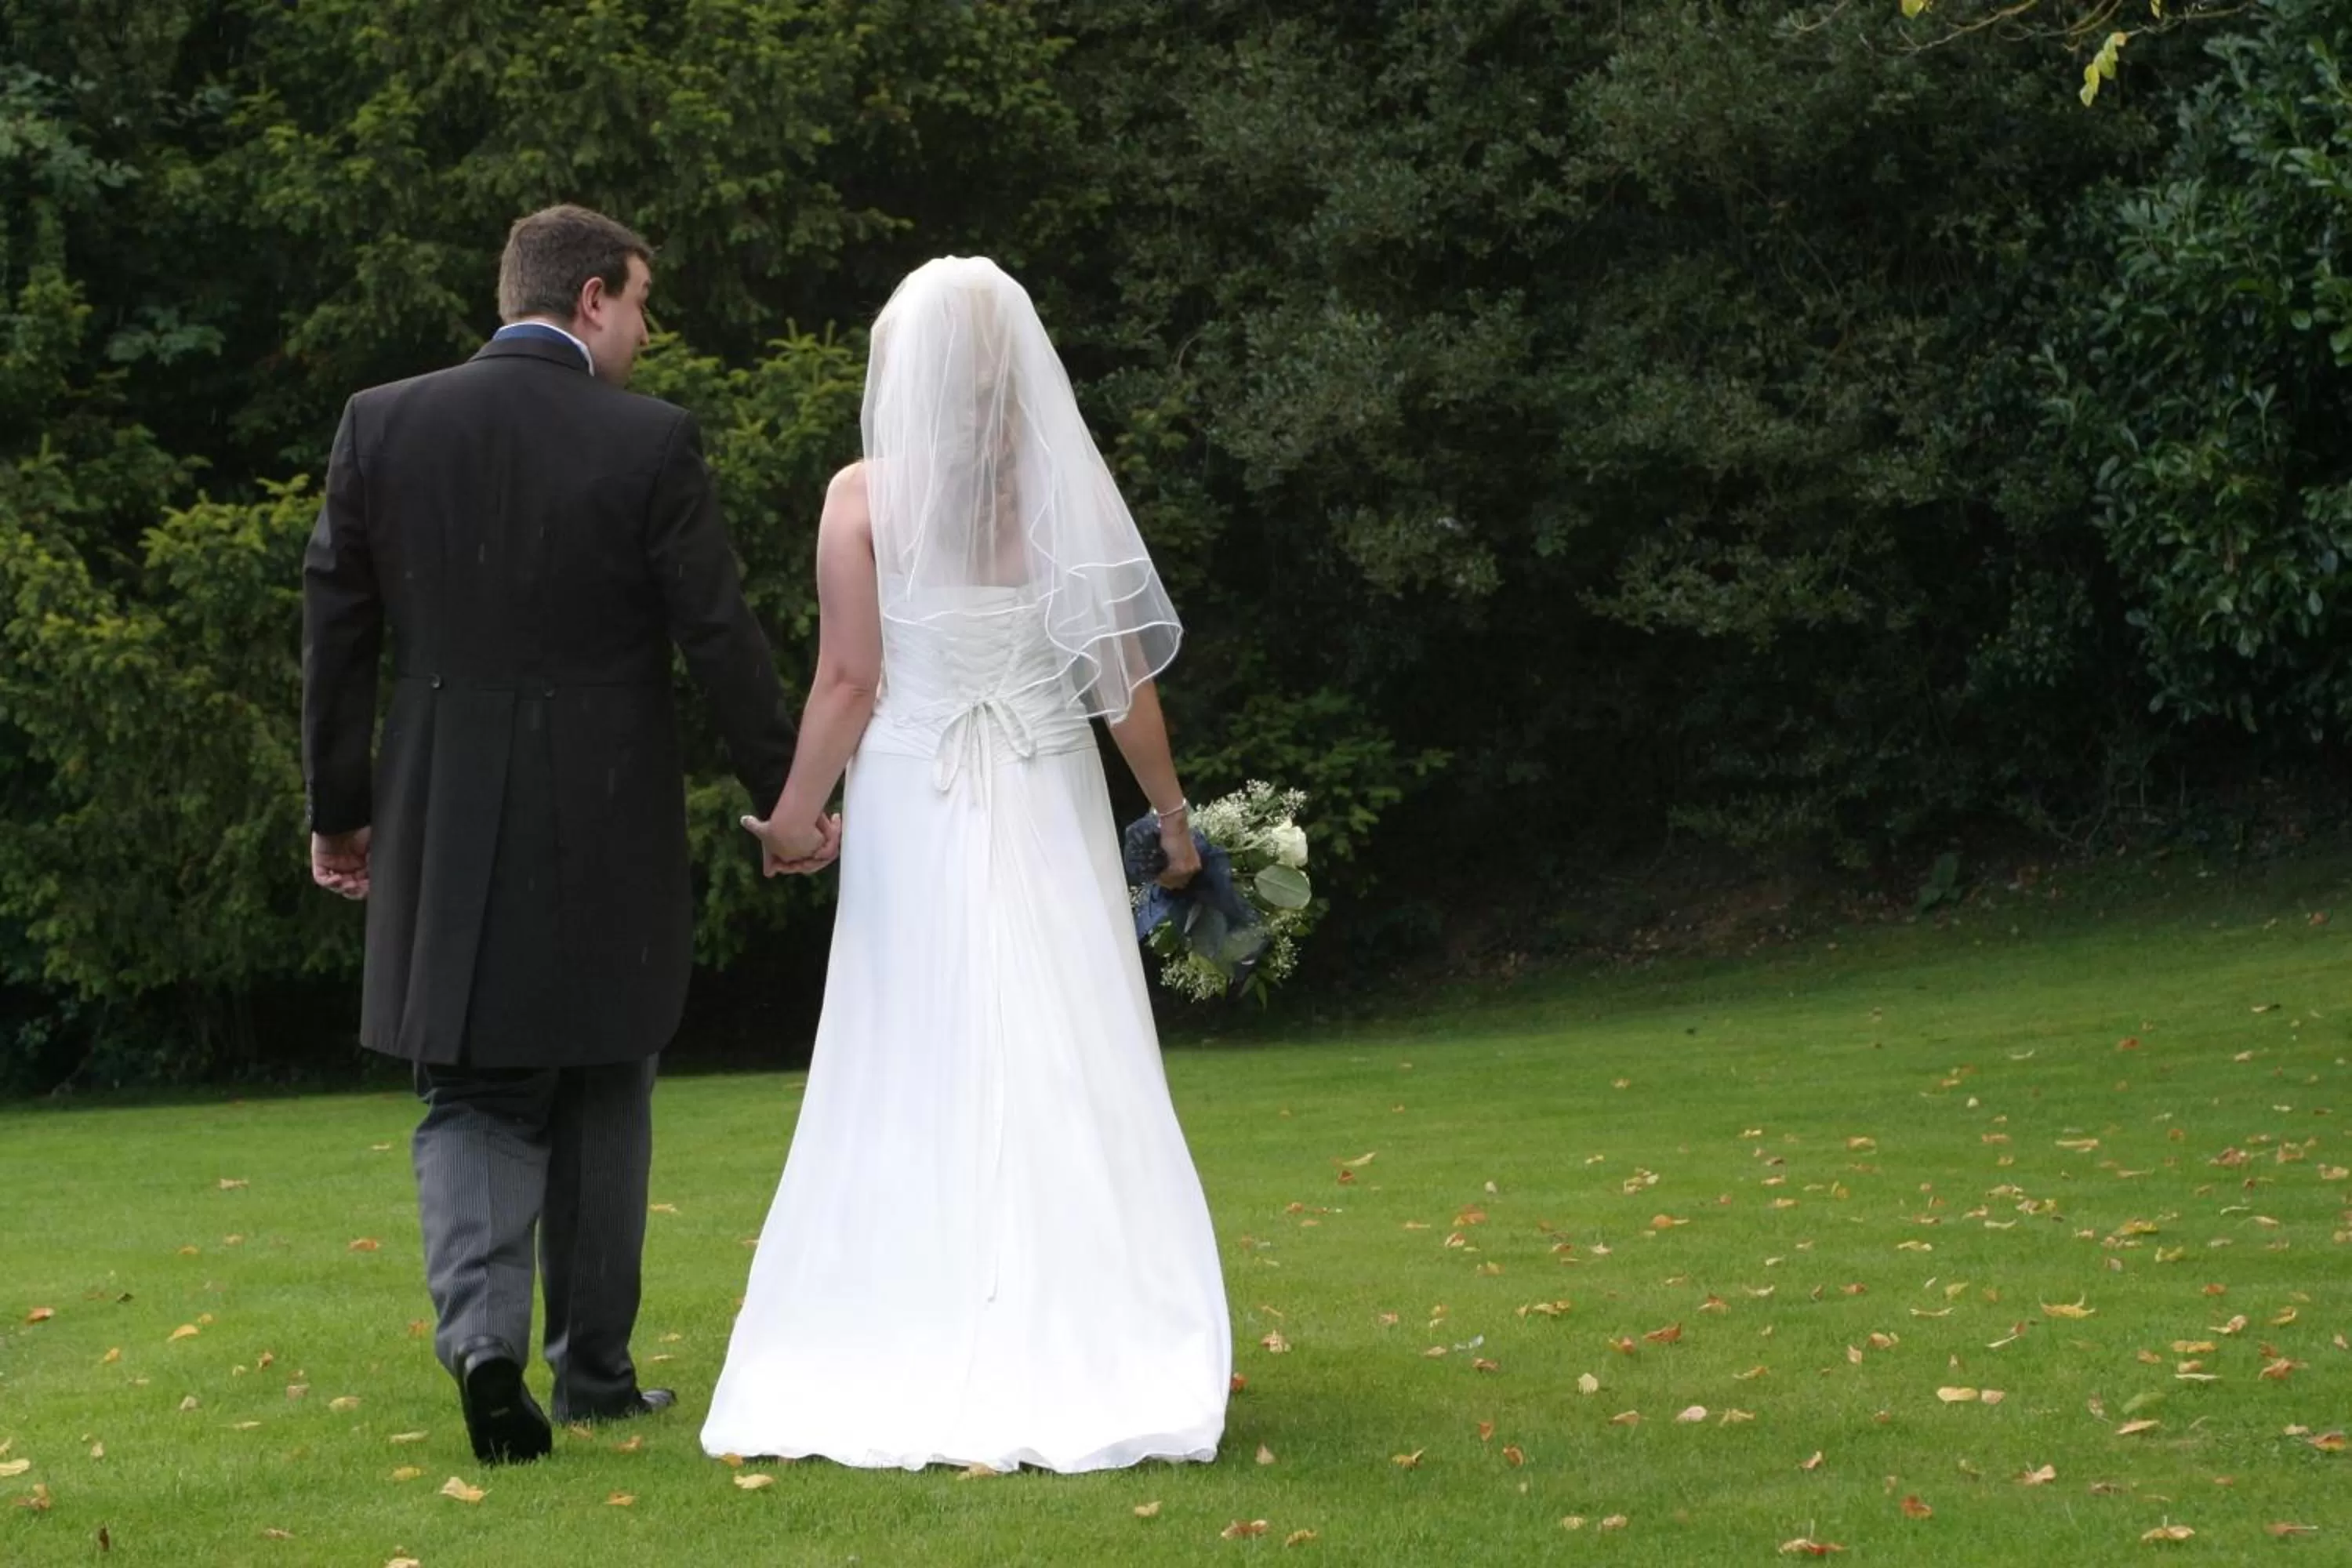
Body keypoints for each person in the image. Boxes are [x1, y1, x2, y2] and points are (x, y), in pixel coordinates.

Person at [300, 205, 823, 1465]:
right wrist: (789, 795)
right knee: (603, 1072)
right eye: (640, 303)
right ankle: (593, 1374)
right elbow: (718, 635)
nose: (644, 331)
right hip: (607, 805)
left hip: (442, 807)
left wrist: (339, 812)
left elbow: (337, 634)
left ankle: (484, 1346)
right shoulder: (647, 437)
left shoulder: (383, 423)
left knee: (472, 1087)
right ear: (592, 297)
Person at [702, 256, 1231, 1472]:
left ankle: (905, 1316)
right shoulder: (1062, 496)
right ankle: (1097, 1321)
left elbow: (849, 681)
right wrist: (1174, 823)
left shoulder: (862, 498)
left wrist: (794, 819)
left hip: (915, 796)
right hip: (1044, 789)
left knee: (913, 1045)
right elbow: (1121, 688)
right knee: (1066, 1037)